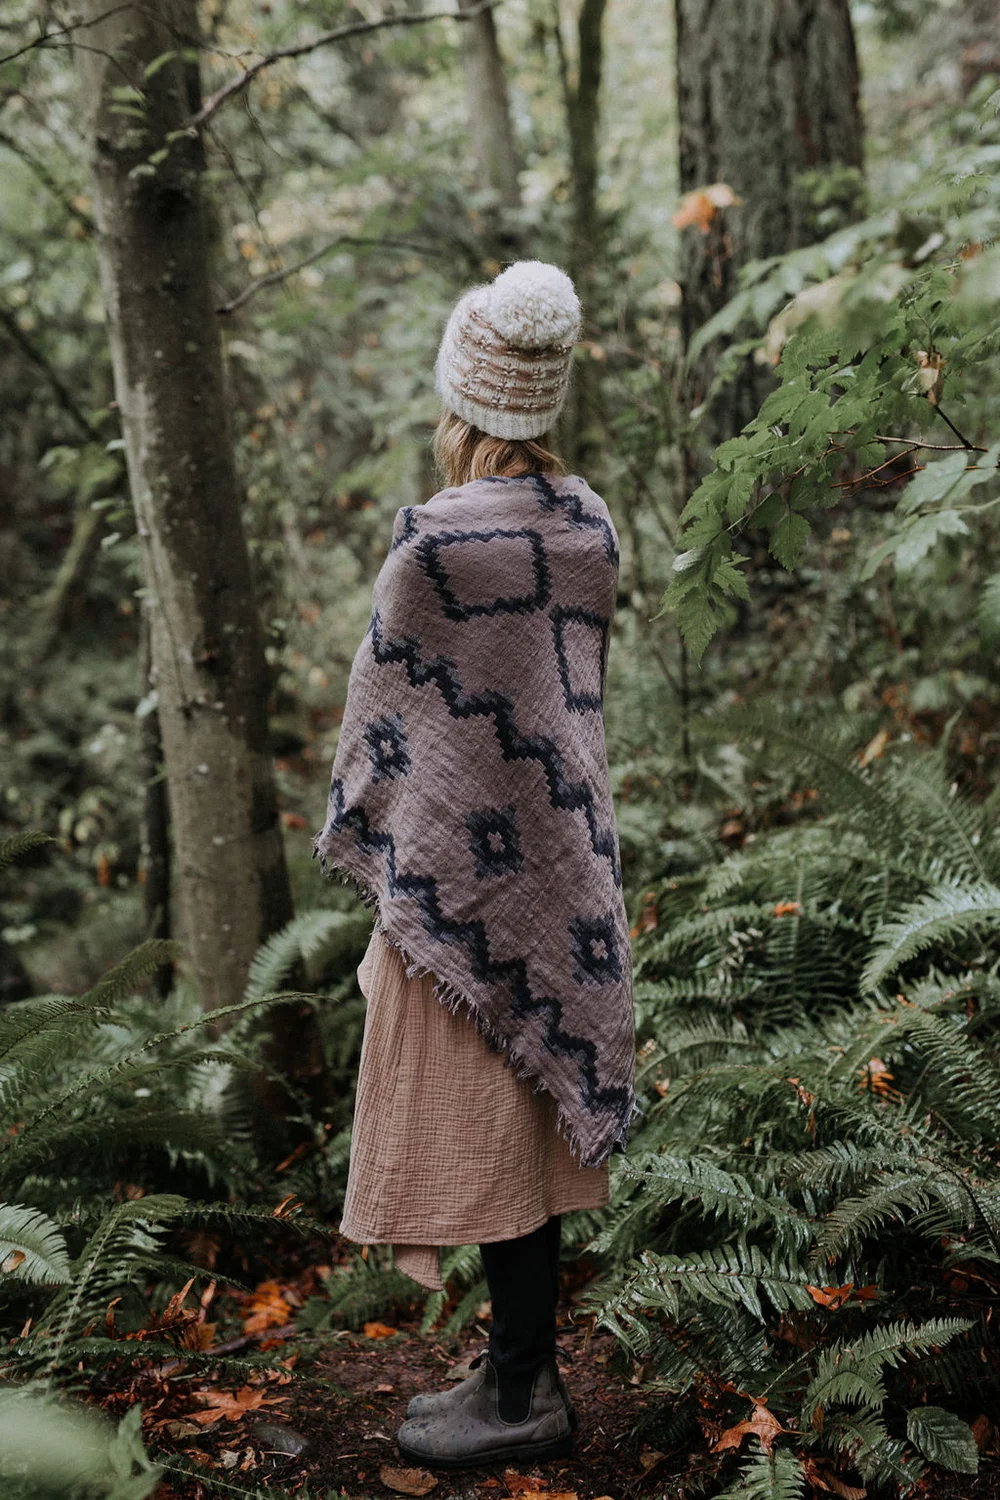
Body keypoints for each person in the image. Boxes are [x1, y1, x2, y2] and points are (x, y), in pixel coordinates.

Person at [313, 259, 635, 1469]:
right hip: (561, 869)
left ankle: (519, 1395)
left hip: (456, 877)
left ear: (462, 398)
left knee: (498, 1127)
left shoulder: (433, 553)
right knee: (523, 1125)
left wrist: (394, 845)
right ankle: (519, 1370)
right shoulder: (589, 528)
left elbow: (384, 736)